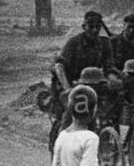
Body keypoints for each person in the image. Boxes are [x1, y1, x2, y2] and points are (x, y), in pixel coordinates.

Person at [47, 11, 115, 151]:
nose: (94, 30)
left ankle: (106, 136)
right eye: (91, 26)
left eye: (97, 26)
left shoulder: (104, 43)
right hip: (68, 82)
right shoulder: (74, 43)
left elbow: (109, 68)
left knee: (111, 103)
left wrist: (113, 80)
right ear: (84, 26)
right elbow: (59, 66)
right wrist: (67, 88)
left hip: (92, 83)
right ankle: (62, 146)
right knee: (71, 111)